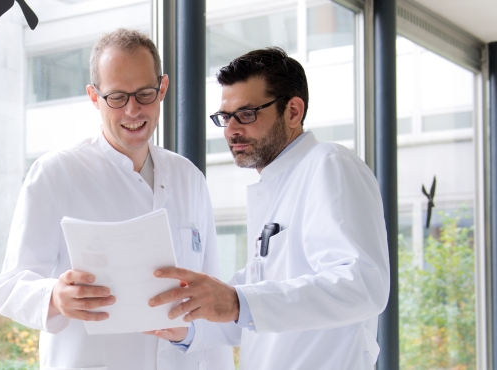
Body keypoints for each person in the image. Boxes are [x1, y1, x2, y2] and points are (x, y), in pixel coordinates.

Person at [0, 28, 233, 370]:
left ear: (162, 89)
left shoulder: (188, 177)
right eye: (117, 97)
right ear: (94, 97)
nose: (132, 110)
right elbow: (10, 286)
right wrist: (55, 297)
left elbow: (211, 300)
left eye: (145, 94)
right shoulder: (56, 173)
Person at [146, 47, 391, 369]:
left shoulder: (329, 164)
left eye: (247, 114)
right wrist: (186, 326)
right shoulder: (275, 186)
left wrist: (237, 301)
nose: (231, 130)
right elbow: (254, 311)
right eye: (225, 117)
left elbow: (361, 284)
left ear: (293, 111)